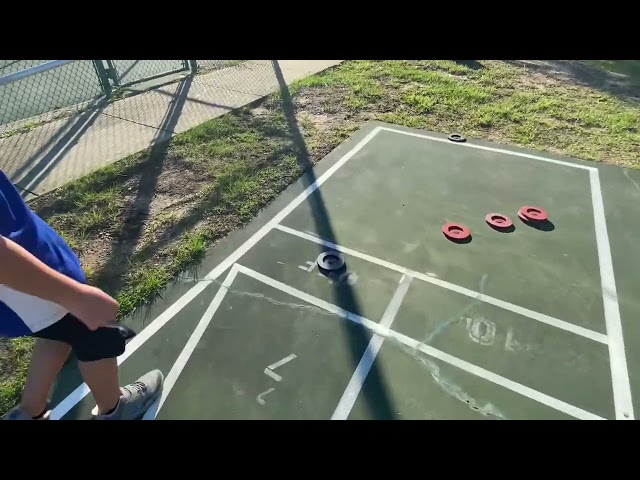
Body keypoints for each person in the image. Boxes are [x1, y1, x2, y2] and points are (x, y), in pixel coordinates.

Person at [0, 169, 162, 420]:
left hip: (20, 261)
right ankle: (116, 409)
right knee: (94, 333)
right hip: (16, 274)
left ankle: (29, 412)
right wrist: (73, 295)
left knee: (56, 328)